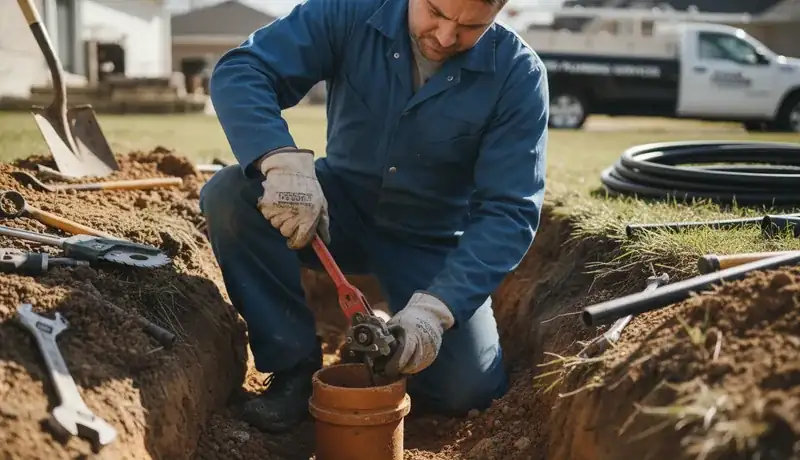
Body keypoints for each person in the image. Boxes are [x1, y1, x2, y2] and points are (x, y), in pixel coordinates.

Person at [200, 0, 549, 433]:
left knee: (467, 392)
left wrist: (438, 311)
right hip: (336, 209)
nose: (445, 37)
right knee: (230, 195)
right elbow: (242, 71)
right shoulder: (349, 13)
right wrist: (280, 161)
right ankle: (292, 368)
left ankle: (390, 350)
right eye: (436, 13)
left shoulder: (518, 74)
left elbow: (509, 211)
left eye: (470, 27)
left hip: (429, 238)